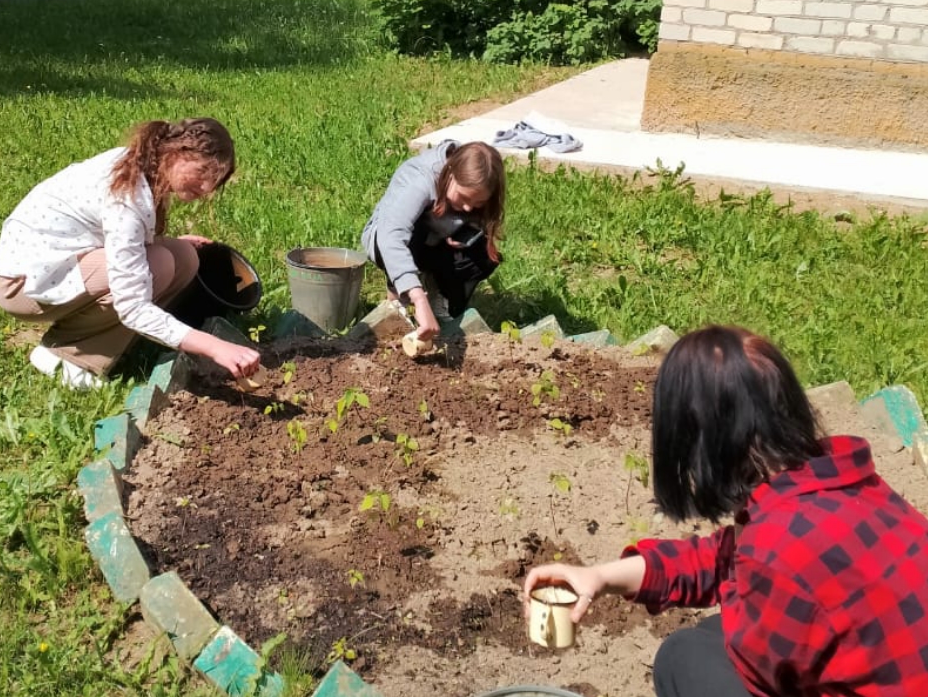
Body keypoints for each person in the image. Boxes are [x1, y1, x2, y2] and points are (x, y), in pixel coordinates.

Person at [522, 325, 928, 697]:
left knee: (684, 659)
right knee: (711, 637)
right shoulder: (844, 485)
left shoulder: (778, 548)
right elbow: (727, 558)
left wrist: (740, 596)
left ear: (698, 444)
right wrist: (600, 577)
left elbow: (760, 674)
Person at [0, 118, 261, 390]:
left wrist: (164, 241)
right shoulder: (127, 196)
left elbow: (120, 235)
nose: (205, 188)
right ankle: (67, 356)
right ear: (179, 152)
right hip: (22, 284)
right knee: (159, 265)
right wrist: (214, 347)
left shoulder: (146, 163)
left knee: (184, 256)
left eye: (213, 181)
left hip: (57, 262)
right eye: (202, 172)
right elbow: (131, 305)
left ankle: (109, 342)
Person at [361, 140, 505, 343]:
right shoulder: (421, 179)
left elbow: (476, 219)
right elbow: (390, 236)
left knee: (485, 256)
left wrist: (465, 232)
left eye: (478, 202)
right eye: (464, 197)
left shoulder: (473, 191)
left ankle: (439, 298)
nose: (468, 208)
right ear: (451, 173)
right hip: (386, 240)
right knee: (411, 235)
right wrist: (417, 297)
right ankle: (398, 301)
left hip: (435, 241)